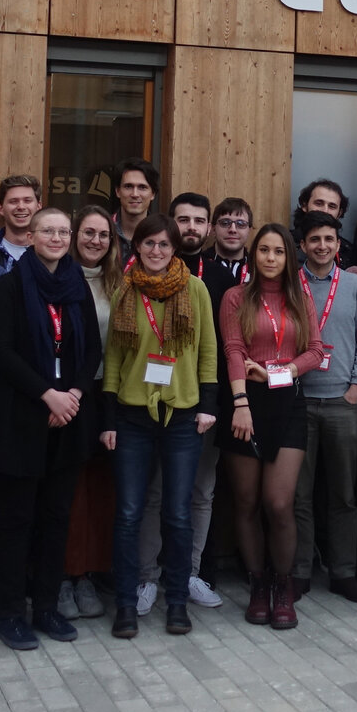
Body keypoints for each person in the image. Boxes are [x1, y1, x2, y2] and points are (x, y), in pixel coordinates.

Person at [0, 208, 103, 650]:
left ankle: (46, 606)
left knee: (56, 517)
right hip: (20, 417)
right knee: (16, 519)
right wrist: (48, 395)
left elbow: (91, 353)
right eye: (47, 230)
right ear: (30, 236)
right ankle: (12, 612)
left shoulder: (76, 287)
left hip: (68, 419)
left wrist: (73, 397)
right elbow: (3, 351)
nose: (56, 237)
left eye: (62, 231)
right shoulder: (12, 284)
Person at [101, 215, 218, 637]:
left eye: (163, 245)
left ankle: (176, 602)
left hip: (184, 416)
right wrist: (109, 416)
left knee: (178, 512)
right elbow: (113, 357)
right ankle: (127, 604)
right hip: (132, 418)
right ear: (137, 247)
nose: (155, 251)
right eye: (148, 244)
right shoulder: (125, 290)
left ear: (175, 250)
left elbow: (208, 351)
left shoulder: (196, 289)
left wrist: (208, 405)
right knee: (130, 512)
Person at [221, 224, 323, 629]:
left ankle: (284, 586)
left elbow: (315, 351)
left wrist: (278, 372)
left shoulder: (301, 299)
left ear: (288, 258)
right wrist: (241, 402)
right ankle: (258, 584)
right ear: (253, 255)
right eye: (263, 250)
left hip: (288, 402)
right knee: (245, 504)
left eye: (278, 251)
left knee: (279, 503)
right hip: (245, 403)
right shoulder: (235, 297)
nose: (269, 258)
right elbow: (233, 349)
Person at [130, 189, 225, 613]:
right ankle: (148, 577)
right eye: (181, 220)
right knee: (154, 495)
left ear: (207, 228)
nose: (190, 227)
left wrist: (210, 401)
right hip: (146, 408)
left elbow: (212, 350)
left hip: (194, 405)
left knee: (198, 496)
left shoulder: (212, 281)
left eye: (197, 221)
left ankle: (187, 574)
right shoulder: (132, 284)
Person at [291, 211, 357, 603]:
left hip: (342, 401)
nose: (322, 246)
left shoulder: (354, 285)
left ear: (338, 245)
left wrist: (356, 387)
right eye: (314, 240)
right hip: (298, 401)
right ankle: (299, 570)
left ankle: (343, 572)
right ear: (303, 245)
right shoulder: (290, 283)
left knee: (343, 493)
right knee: (299, 494)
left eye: (329, 239)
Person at [58, 204, 122, 622]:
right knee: (69, 488)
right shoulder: (58, 277)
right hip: (68, 394)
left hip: (109, 392)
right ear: (74, 235)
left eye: (103, 235)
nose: (95, 240)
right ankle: (64, 573)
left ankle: (89, 574)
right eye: (88, 232)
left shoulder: (120, 283)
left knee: (101, 489)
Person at [0, 175, 41, 272]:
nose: (21, 207)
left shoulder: (51, 249)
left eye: (27, 201)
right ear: (0, 208)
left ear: (38, 206)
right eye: (13, 201)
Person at [297, 179, 357, 268]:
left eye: (332, 206)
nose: (325, 210)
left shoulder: (349, 252)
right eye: (319, 203)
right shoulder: (286, 244)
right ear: (304, 205)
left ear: (339, 213)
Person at [113, 158, 160, 252]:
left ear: (153, 194)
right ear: (118, 191)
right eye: (128, 186)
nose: (135, 194)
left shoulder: (162, 234)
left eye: (142, 187)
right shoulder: (103, 230)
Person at [170, 192, 213, 275]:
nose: (191, 227)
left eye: (199, 221)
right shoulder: (153, 270)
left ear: (208, 229)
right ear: (170, 224)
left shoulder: (223, 277)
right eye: (184, 220)